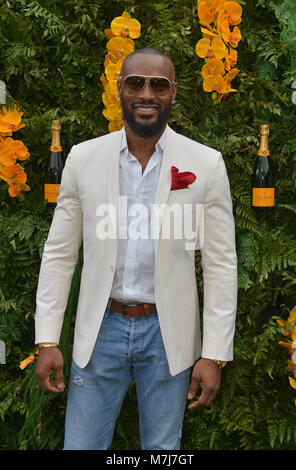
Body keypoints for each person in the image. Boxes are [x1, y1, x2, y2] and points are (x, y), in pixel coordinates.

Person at [35, 48, 237, 450]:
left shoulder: (206, 163)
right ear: (119, 90)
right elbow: (59, 253)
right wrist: (47, 339)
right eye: (136, 83)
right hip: (101, 328)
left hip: (170, 335)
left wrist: (214, 354)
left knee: (163, 451)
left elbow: (220, 266)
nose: (147, 93)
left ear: (173, 93)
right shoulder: (83, 158)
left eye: (159, 85)